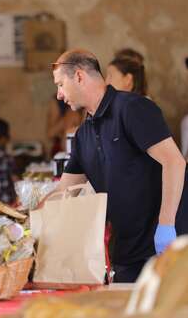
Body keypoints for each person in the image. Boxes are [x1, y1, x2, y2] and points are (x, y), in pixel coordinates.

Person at [46, 48, 188, 282]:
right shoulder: (83, 135)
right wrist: (23, 221)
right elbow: (63, 193)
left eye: (60, 84)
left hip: (165, 248)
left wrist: (166, 225)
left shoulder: (133, 108)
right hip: (126, 252)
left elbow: (174, 162)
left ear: (79, 76)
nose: (59, 95)